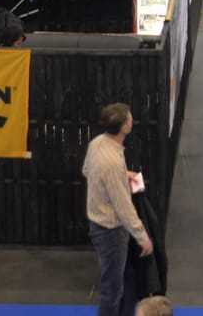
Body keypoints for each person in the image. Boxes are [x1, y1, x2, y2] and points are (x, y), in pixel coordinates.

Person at [83, 102, 151, 316]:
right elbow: (124, 207)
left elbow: (87, 170)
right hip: (111, 231)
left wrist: (121, 176)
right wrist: (142, 236)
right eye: (129, 117)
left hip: (98, 223)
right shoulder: (112, 161)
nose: (132, 119)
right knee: (112, 291)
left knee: (116, 282)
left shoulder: (97, 144)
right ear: (124, 127)